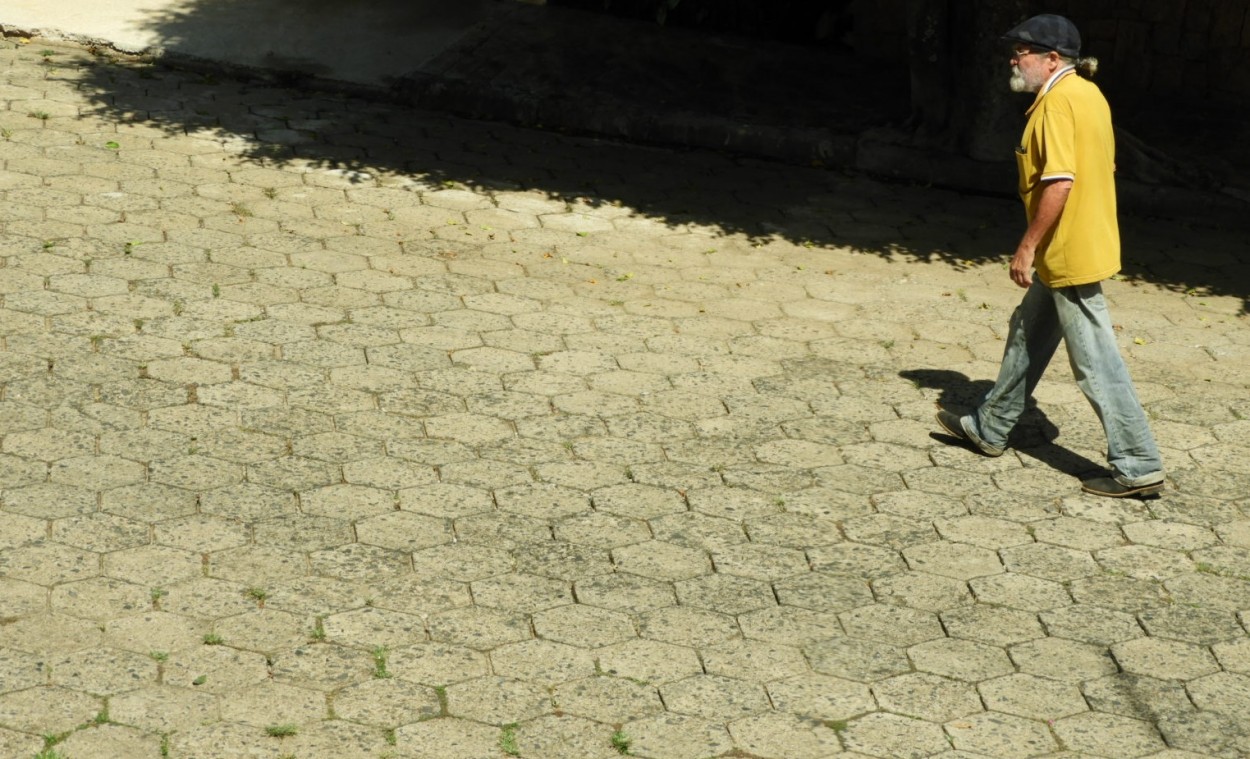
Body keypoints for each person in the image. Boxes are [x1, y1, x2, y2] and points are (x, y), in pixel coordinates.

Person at [935, 14, 1165, 498]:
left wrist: (1027, 246)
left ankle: (1138, 461)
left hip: (1068, 250)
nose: (1014, 59)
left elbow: (1059, 182)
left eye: (1023, 52)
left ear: (1052, 59)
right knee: (1028, 331)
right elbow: (1107, 161)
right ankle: (992, 425)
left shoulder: (1058, 104)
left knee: (1096, 362)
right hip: (1084, 241)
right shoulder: (1087, 94)